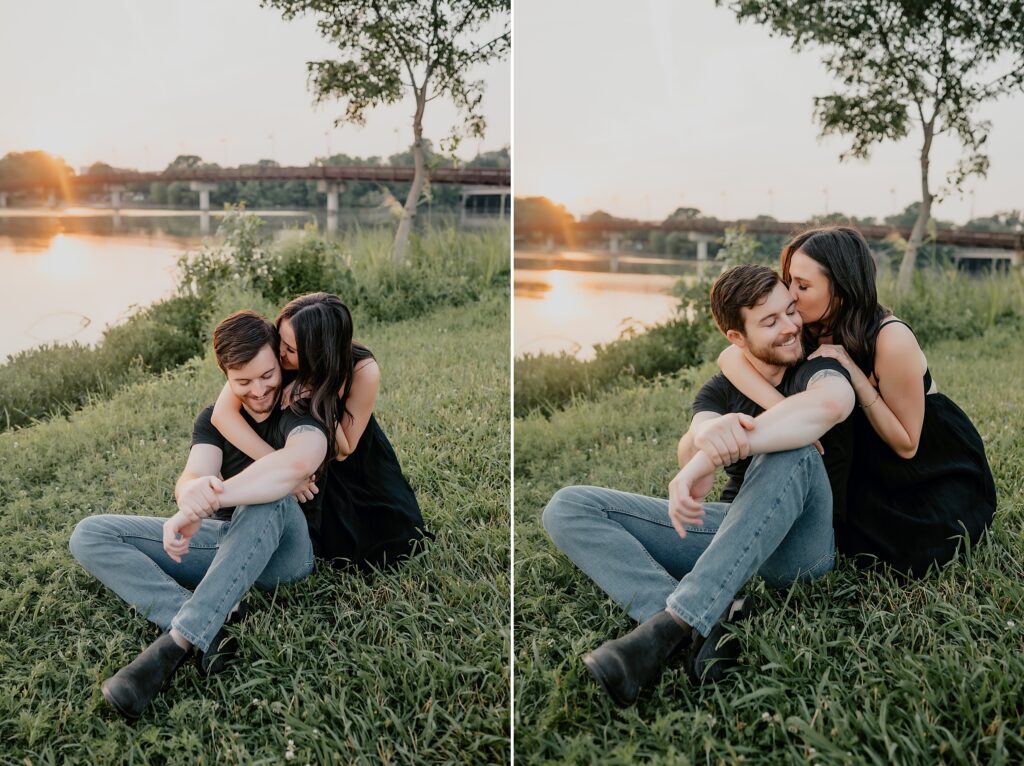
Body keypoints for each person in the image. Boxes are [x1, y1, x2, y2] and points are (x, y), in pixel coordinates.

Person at [543, 264, 856, 706]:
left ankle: (675, 622)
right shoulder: (720, 387)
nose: (791, 328)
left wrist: (715, 454)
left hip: (801, 547)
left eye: (790, 311)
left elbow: (830, 404)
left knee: (793, 448)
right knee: (567, 506)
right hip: (734, 526)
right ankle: (699, 620)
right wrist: (704, 441)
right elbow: (696, 439)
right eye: (770, 322)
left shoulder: (816, 366)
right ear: (737, 338)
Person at [69, 310, 330, 720]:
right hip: (226, 545)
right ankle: (213, 625)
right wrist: (190, 494)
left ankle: (176, 644)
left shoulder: (298, 404)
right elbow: (196, 473)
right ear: (226, 375)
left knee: (272, 495)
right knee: (90, 534)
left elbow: (297, 464)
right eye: (243, 381)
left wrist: (212, 498)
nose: (260, 389)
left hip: (285, 555)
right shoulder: (214, 418)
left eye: (267, 375)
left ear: (279, 362)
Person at [717, 226, 996, 577]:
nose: (790, 294)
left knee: (899, 551)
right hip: (861, 457)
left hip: (923, 467)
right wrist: (780, 407)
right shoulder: (807, 322)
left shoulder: (891, 339)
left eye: (802, 286)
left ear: (842, 289)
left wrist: (854, 373)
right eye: (790, 280)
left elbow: (907, 445)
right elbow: (730, 358)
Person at [212, 292, 429, 572]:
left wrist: (320, 392)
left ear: (317, 352)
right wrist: (279, 466)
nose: (280, 353)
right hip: (294, 455)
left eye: (290, 350)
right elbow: (222, 415)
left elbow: (345, 449)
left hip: (353, 465)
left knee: (385, 541)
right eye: (281, 340)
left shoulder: (362, 369)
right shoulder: (273, 353)